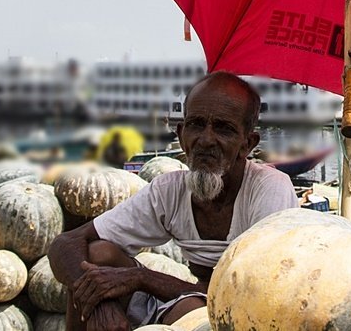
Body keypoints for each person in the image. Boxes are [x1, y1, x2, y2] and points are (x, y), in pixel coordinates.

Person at [48, 71, 298, 330]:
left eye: (223, 128)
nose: (206, 140)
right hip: (189, 298)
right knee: (97, 254)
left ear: (248, 143)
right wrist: (101, 303)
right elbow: (66, 243)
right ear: (181, 134)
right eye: (196, 125)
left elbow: (257, 292)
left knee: (195, 313)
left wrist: (140, 277)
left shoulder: (269, 189)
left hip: (252, 313)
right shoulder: (169, 190)